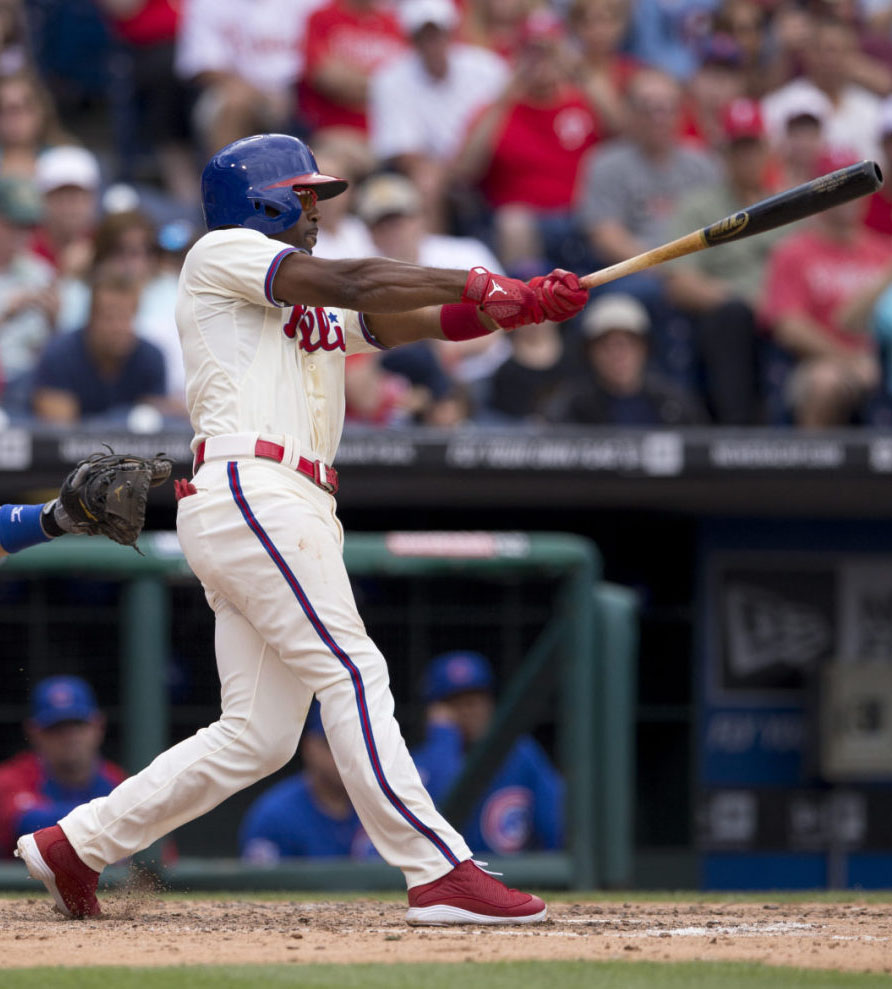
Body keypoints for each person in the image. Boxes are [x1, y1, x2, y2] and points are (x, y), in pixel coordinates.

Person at [14, 131, 588, 924]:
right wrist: (482, 276)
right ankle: (437, 868)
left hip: (279, 501)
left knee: (258, 734)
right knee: (355, 672)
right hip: (257, 486)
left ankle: (76, 844)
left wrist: (515, 307)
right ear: (265, 199)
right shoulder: (222, 254)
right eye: (306, 194)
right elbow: (357, 276)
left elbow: (403, 319)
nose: (317, 208)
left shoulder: (306, 299)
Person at [663, 97, 786, 424]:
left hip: (788, 316)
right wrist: (748, 302)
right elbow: (680, 283)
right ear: (723, 153)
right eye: (737, 148)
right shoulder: (699, 206)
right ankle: (738, 432)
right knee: (732, 317)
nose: (746, 157)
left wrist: (776, 308)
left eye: (753, 146)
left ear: (767, 149)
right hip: (732, 314)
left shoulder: (790, 203)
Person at [759, 148, 892, 427]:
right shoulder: (794, 252)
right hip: (815, 362)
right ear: (818, 194)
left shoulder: (884, 251)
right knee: (825, 382)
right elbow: (789, 327)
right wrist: (849, 359)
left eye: (858, 186)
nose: (850, 197)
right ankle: (814, 468)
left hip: (880, 358)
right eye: (840, 188)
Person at [368, 0, 509, 231]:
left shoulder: (487, 68)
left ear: (451, 34)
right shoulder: (389, 79)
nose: (433, 43)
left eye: (438, 34)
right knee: (426, 180)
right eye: (425, 36)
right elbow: (404, 154)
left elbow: (509, 125)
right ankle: (433, 258)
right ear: (412, 40)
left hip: (488, 164)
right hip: (440, 168)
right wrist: (456, 169)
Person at [411, 651, 564, 856]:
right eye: (456, 702)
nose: (470, 710)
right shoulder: (417, 764)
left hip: (511, 880)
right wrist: (444, 742)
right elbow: (437, 823)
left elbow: (559, 826)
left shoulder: (519, 754)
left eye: (476, 699)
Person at [0, 677, 125, 858]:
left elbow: (160, 854)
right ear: (33, 732)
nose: (69, 737)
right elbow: (28, 824)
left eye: (78, 725)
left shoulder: (117, 780)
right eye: (56, 728)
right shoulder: (11, 778)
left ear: (98, 726)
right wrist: (115, 816)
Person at [240, 702, 376, 861]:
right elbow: (259, 884)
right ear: (308, 747)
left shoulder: (382, 806)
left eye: (354, 743)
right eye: (332, 743)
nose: (346, 754)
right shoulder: (275, 816)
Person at [30, 268, 167, 425]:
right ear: (91, 317)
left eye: (126, 317)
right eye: (109, 317)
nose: (118, 327)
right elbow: (58, 432)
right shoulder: (59, 354)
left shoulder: (151, 357)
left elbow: (155, 427)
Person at [549, 292, 708, 425]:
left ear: (645, 349)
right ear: (590, 353)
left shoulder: (673, 404)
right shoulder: (571, 405)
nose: (618, 355)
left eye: (628, 344)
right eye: (606, 346)